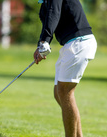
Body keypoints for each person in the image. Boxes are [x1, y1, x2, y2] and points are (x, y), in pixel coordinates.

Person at [33, 0, 97, 136]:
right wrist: (41, 44)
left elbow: (53, 13)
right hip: (71, 44)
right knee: (58, 92)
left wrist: (45, 41)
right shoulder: (44, 3)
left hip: (79, 41)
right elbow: (49, 19)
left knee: (64, 92)